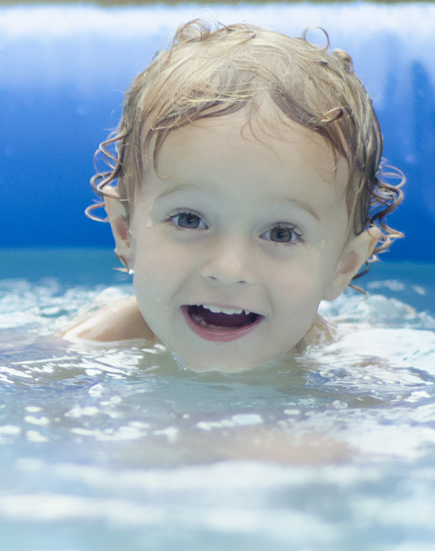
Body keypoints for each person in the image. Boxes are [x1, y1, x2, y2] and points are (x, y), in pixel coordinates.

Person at [63, 20, 403, 372]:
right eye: (189, 220)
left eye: (281, 234)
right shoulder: (85, 353)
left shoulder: (354, 368)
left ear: (343, 267)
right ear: (125, 232)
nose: (228, 270)